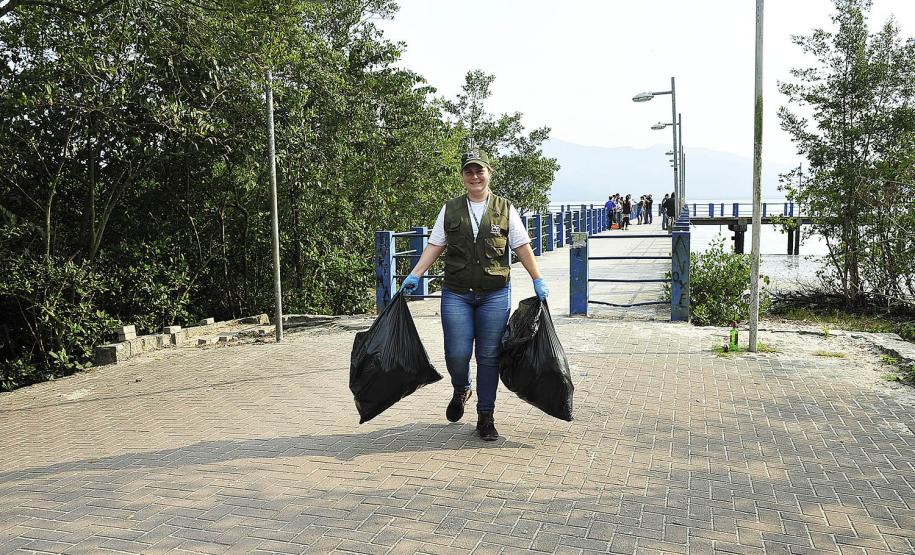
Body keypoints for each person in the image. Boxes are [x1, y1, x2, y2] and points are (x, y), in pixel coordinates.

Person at [399, 150, 549, 441]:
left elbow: (520, 246)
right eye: (469, 172)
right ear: (462, 177)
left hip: (494, 293)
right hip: (457, 292)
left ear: (489, 173)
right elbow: (435, 245)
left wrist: (537, 278)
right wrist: (416, 273)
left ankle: (486, 415)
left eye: (480, 171)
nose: (475, 176)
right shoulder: (451, 209)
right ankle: (461, 387)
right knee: (456, 353)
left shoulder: (505, 208)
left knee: (489, 356)